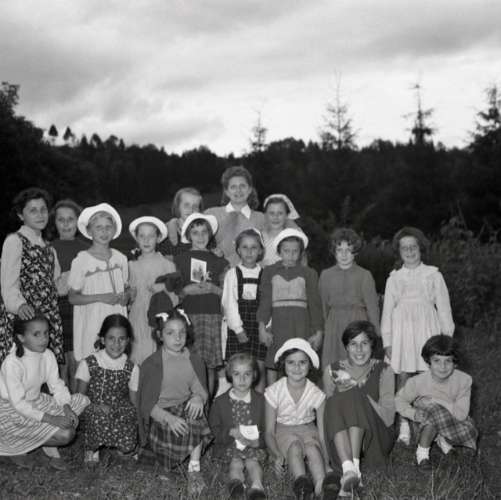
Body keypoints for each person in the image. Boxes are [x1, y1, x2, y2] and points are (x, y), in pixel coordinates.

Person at [381, 226, 454, 445]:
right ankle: (405, 424)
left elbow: (444, 309)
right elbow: (387, 312)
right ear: (399, 252)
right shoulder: (394, 278)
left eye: (413, 247)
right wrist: (388, 341)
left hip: (427, 331)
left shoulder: (433, 275)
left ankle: (434, 426)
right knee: (404, 377)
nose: (410, 251)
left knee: (431, 377)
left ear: (421, 248)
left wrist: (446, 339)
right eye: (404, 248)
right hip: (403, 333)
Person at [0, 313, 89, 469]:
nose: (43, 339)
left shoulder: (47, 355)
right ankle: (14, 446)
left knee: (81, 403)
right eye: (36, 334)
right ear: (21, 337)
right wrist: (51, 419)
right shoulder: (12, 363)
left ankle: (42, 438)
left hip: (36, 401)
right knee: (66, 434)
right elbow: (19, 404)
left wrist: (66, 407)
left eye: (46, 333)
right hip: (11, 409)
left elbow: (57, 385)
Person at [137, 308, 211, 489]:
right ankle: (165, 461)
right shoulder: (152, 364)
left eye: (182, 333)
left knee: (196, 416)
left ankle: (194, 468)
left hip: (183, 407)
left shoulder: (193, 360)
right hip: (160, 414)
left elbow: (200, 388)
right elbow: (146, 404)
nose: (177, 338)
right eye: (170, 333)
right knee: (169, 441)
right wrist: (168, 418)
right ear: (159, 335)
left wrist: (198, 398)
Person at [322, 321, 395, 498]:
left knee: (352, 394)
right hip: (341, 440)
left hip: (375, 439)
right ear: (346, 347)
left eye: (364, 343)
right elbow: (327, 413)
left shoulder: (384, 369)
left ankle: (351, 470)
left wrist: (358, 392)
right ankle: (351, 470)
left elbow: (388, 418)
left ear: (372, 345)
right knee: (334, 399)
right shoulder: (331, 370)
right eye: (353, 344)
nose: (359, 350)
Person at [0, 188, 64, 365]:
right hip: (24, 318)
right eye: (33, 210)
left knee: (44, 371)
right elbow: (8, 284)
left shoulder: (49, 248)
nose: (40, 215)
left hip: (46, 318)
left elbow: (56, 286)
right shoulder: (15, 241)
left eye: (43, 209)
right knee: (20, 370)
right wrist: (19, 305)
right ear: (21, 215)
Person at [395, 335, 478, 469]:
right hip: (423, 422)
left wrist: (436, 400)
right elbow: (399, 400)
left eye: (448, 361)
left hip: (453, 419)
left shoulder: (464, 380)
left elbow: (461, 414)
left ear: (455, 363)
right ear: (428, 362)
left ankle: (443, 439)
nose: (442, 367)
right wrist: (413, 413)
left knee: (469, 444)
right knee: (433, 410)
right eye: (437, 361)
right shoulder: (417, 382)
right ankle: (422, 455)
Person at [264, 338, 330, 499]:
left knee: (312, 449)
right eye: (291, 362)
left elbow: (322, 434)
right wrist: (276, 455)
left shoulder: (316, 393)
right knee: (294, 446)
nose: (297, 367)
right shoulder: (274, 391)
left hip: (308, 429)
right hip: (283, 430)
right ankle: (302, 486)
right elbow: (269, 432)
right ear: (283, 364)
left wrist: (327, 462)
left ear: (310, 365)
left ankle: (321, 486)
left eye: (302, 362)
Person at [257, 229, 323, 385]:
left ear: (301, 252)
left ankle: (300, 395)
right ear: (279, 251)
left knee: (299, 359)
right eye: (286, 251)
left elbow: (315, 305)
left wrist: (318, 332)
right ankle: (272, 394)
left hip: (301, 326)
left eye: (295, 251)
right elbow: (265, 302)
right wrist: (262, 328)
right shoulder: (269, 271)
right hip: (278, 325)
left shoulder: (309, 273)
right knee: (274, 362)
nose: (291, 255)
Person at [174, 213, 228, 398]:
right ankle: (187, 403)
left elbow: (228, 293)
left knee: (209, 366)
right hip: (188, 317)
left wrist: (214, 289)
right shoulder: (180, 259)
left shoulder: (219, 261)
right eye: (195, 232)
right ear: (188, 235)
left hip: (212, 316)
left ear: (210, 234)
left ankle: (207, 404)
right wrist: (185, 291)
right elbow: (173, 292)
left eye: (204, 232)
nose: (200, 236)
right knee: (188, 363)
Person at [68, 203, 130, 363]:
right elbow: (72, 297)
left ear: (114, 230)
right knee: (95, 363)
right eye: (98, 227)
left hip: (116, 321)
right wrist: (101, 297)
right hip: (93, 322)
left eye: (108, 227)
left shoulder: (121, 259)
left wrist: (127, 296)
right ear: (89, 231)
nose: (104, 231)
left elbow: (126, 288)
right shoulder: (81, 260)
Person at [75, 314, 139, 464]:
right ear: (103, 340)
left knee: (129, 414)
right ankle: (92, 448)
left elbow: (134, 400)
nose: (116, 344)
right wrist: (95, 406)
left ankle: (123, 446)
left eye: (121, 339)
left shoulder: (132, 367)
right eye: (111, 338)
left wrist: (137, 421)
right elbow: (79, 398)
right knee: (98, 417)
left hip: (119, 408)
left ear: (127, 341)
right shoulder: (89, 363)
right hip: (93, 407)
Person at [319, 228, 380, 368]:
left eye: (348, 250)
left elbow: (372, 306)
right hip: (334, 323)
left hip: (358, 321)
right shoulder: (326, 275)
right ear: (334, 251)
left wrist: (375, 331)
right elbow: (322, 306)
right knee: (334, 364)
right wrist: (322, 330)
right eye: (339, 250)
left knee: (357, 361)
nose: (344, 254)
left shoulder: (364, 275)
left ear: (355, 252)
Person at [209, 353, 267, 500]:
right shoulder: (220, 402)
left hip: (252, 446)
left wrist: (258, 442)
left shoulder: (261, 401)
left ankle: (257, 487)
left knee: (252, 462)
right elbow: (213, 430)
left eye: (247, 374)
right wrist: (229, 432)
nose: (242, 379)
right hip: (230, 446)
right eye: (236, 374)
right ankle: (237, 487)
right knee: (235, 463)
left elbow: (268, 429)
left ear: (254, 375)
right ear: (229, 375)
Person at [128, 216, 177, 364]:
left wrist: (164, 288)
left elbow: (176, 297)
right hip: (137, 318)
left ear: (158, 238)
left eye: (151, 236)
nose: (146, 240)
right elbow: (127, 297)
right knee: (137, 357)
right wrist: (129, 296)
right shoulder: (130, 266)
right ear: (136, 238)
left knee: (158, 360)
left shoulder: (167, 265)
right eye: (142, 236)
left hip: (159, 319)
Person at [222, 228, 267, 392]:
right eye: (245, 247)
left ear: (260, 251)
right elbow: (229, 304)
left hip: (259, 327)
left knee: (259, 368)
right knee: (237, 367)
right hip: (239, 328)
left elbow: (267, 304)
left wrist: (266, 328)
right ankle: (236, 400)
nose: (249, 251)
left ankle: (259, 403)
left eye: (254, 247)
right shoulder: (232, 274)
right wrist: (238, 329)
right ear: (238, 250)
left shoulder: (265, 274)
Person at [50, 199, 88, 391]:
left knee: (77, 361)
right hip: (56, 310)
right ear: (54, 222)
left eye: (70, 219)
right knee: (60, 364)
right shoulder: (47, 248)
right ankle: (61, 403)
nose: (66, 224)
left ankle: (76, 404)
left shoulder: (87, 249)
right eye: (61, 219)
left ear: (78, 222)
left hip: (80, 309)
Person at [205, 166, 265, 266]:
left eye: (242, 186)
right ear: (227, 191)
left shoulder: (261, 218)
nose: (238, 190)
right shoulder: (211, 214)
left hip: (250, 273)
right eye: (233, 187)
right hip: (217, 272)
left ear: (250, 189)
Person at [161, 187, 203, 258]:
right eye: (186, 205)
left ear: (199, 210)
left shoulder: (204, 231)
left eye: (195, 206)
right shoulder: (165, 234)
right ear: (177, 207)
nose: (191, 209)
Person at [261, 194, 301, 267]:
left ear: (286, 215)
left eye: (280, 213)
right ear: (265, 215)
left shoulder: (294, 239)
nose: (275, 217)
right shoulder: (259, 237)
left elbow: (302, 264)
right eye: (271, 213)